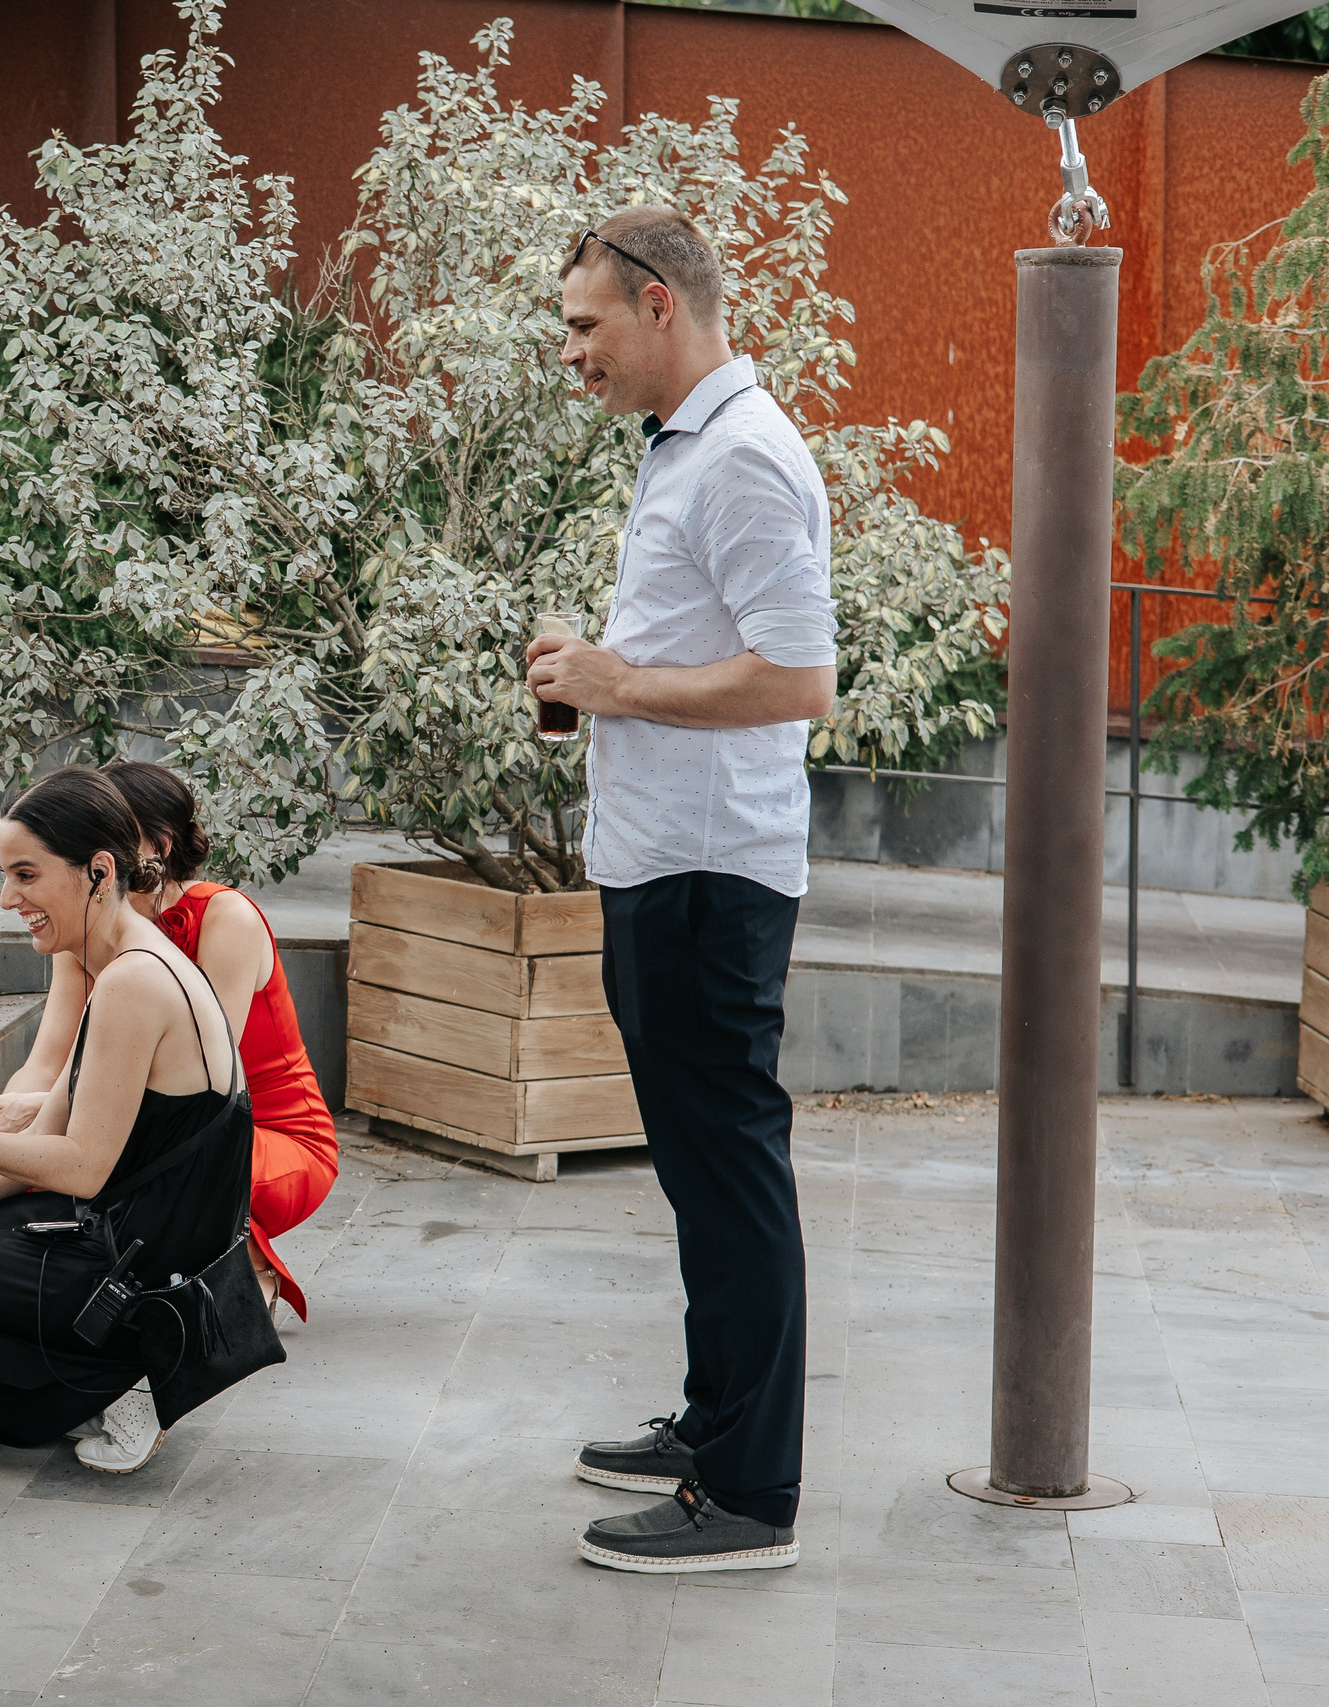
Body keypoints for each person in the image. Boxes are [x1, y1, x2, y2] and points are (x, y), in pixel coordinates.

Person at [525, 206, 837, 1574]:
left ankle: (751, 1493)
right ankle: (717, 1422)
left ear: (660, 306)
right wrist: (598, 665)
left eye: (586, 325)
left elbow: (798, 676)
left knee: (731, 1179)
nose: (572, 353)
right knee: (705, 1179)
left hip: (713, 879)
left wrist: (616, 683)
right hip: (665, 865)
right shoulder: (688, 447)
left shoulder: (748, 460)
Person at [0, 767, 268, 1474]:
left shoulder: (132, 980)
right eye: (6, 875)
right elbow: (44, 1140)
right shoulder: (128, 960)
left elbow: (81, 1166)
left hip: (131, 1276)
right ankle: (93, 1363)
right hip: (128, 1241)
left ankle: (121, 1375)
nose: (9, 898)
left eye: (26, 875)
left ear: (98, 871)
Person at [0, 760, 337, 1318]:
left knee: (121, 1160)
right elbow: (45, 1064)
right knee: (55, 1163)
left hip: (261, 1135)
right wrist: (6, 1131)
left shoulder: (224, 917)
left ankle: (234, 1277)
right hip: (154, 1124)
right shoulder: (85, 927)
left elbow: (207, 1091)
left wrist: (43, 1118)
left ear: (158, 847)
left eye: (116, 828)